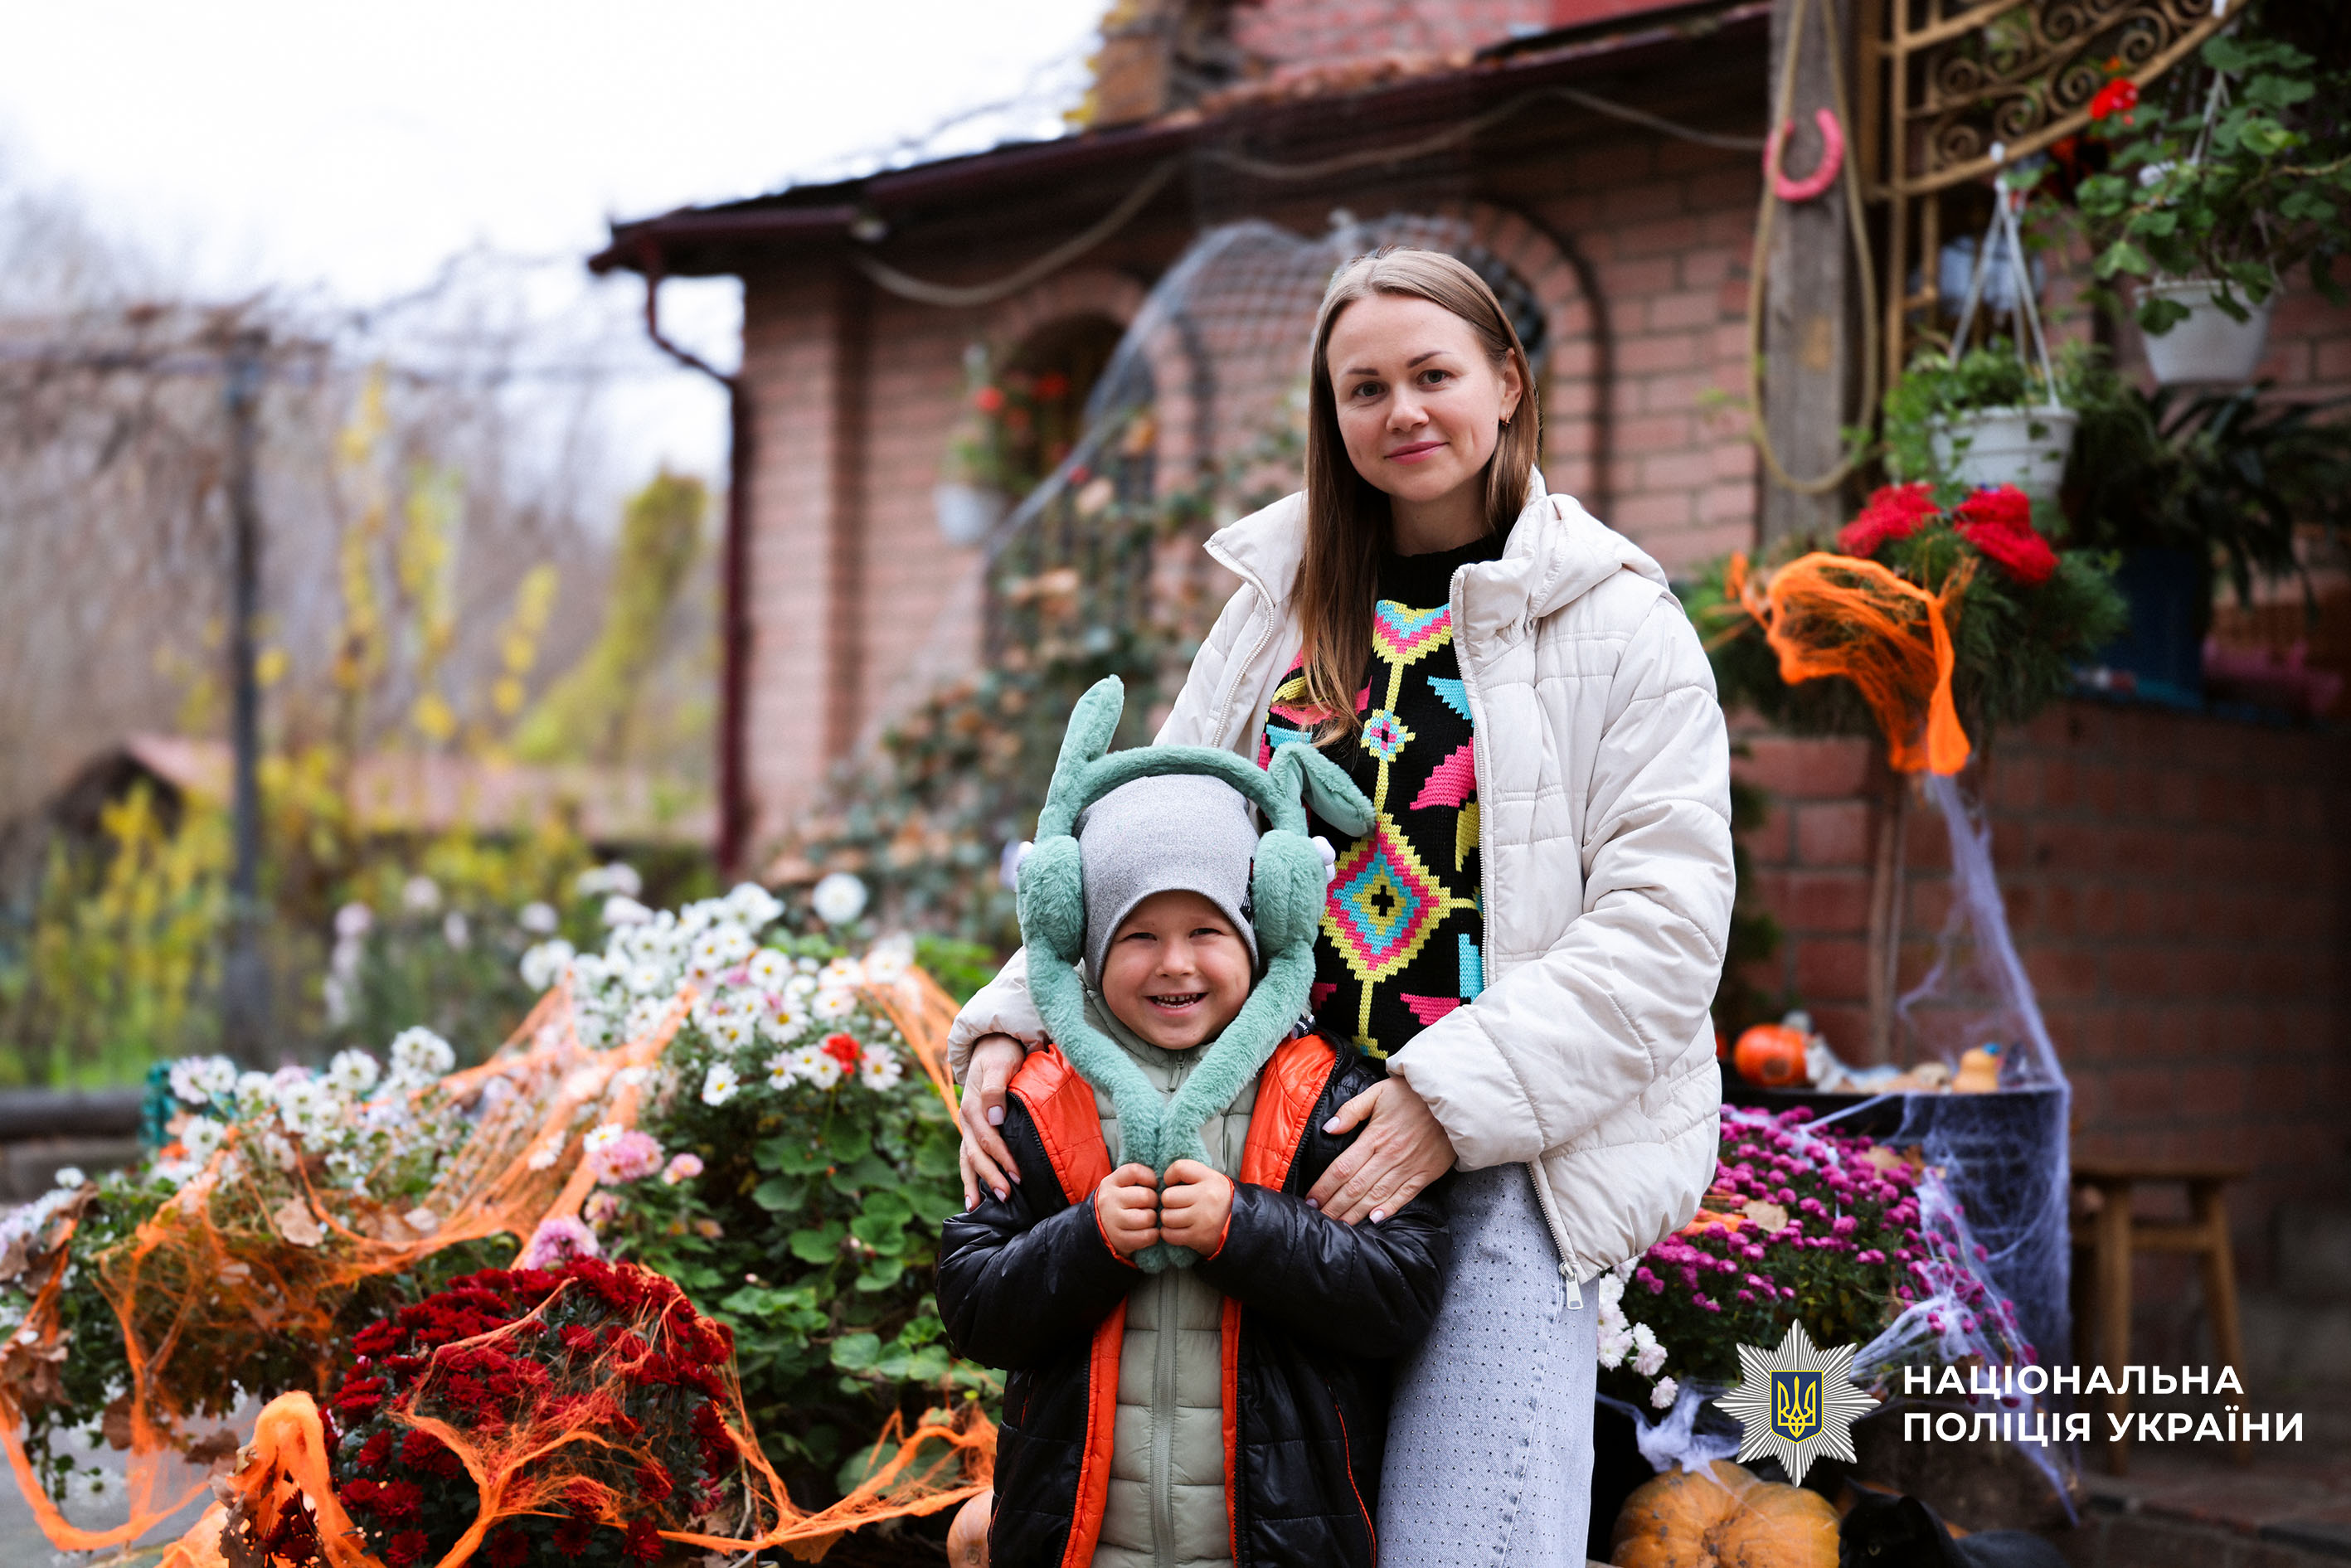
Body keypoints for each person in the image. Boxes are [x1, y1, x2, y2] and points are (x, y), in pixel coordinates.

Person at [949, 245, 1732, 1563]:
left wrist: (1443, 1099)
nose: (1400, 410)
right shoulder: (1280, 608)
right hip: (1269, 1131)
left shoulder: (1619, 625)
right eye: (1363, 387)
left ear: (1505, 381)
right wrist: (1011, 1017)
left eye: (1432, 374)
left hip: (1502, 1158)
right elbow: (1152, 838)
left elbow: (1664, 931)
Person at [935, 772, 1450, 1568]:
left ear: (1260, 931)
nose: (1174, 963)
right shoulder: (1039, 1099)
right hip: (1080, 1546)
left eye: (1206, 929)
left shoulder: (1327, 1096)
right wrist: (1088, 1239)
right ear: (1088, 942)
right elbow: (973, 1305)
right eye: (1138, 935)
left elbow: (1398, 1293)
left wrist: (1244, 1229)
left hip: (1278, 1544)